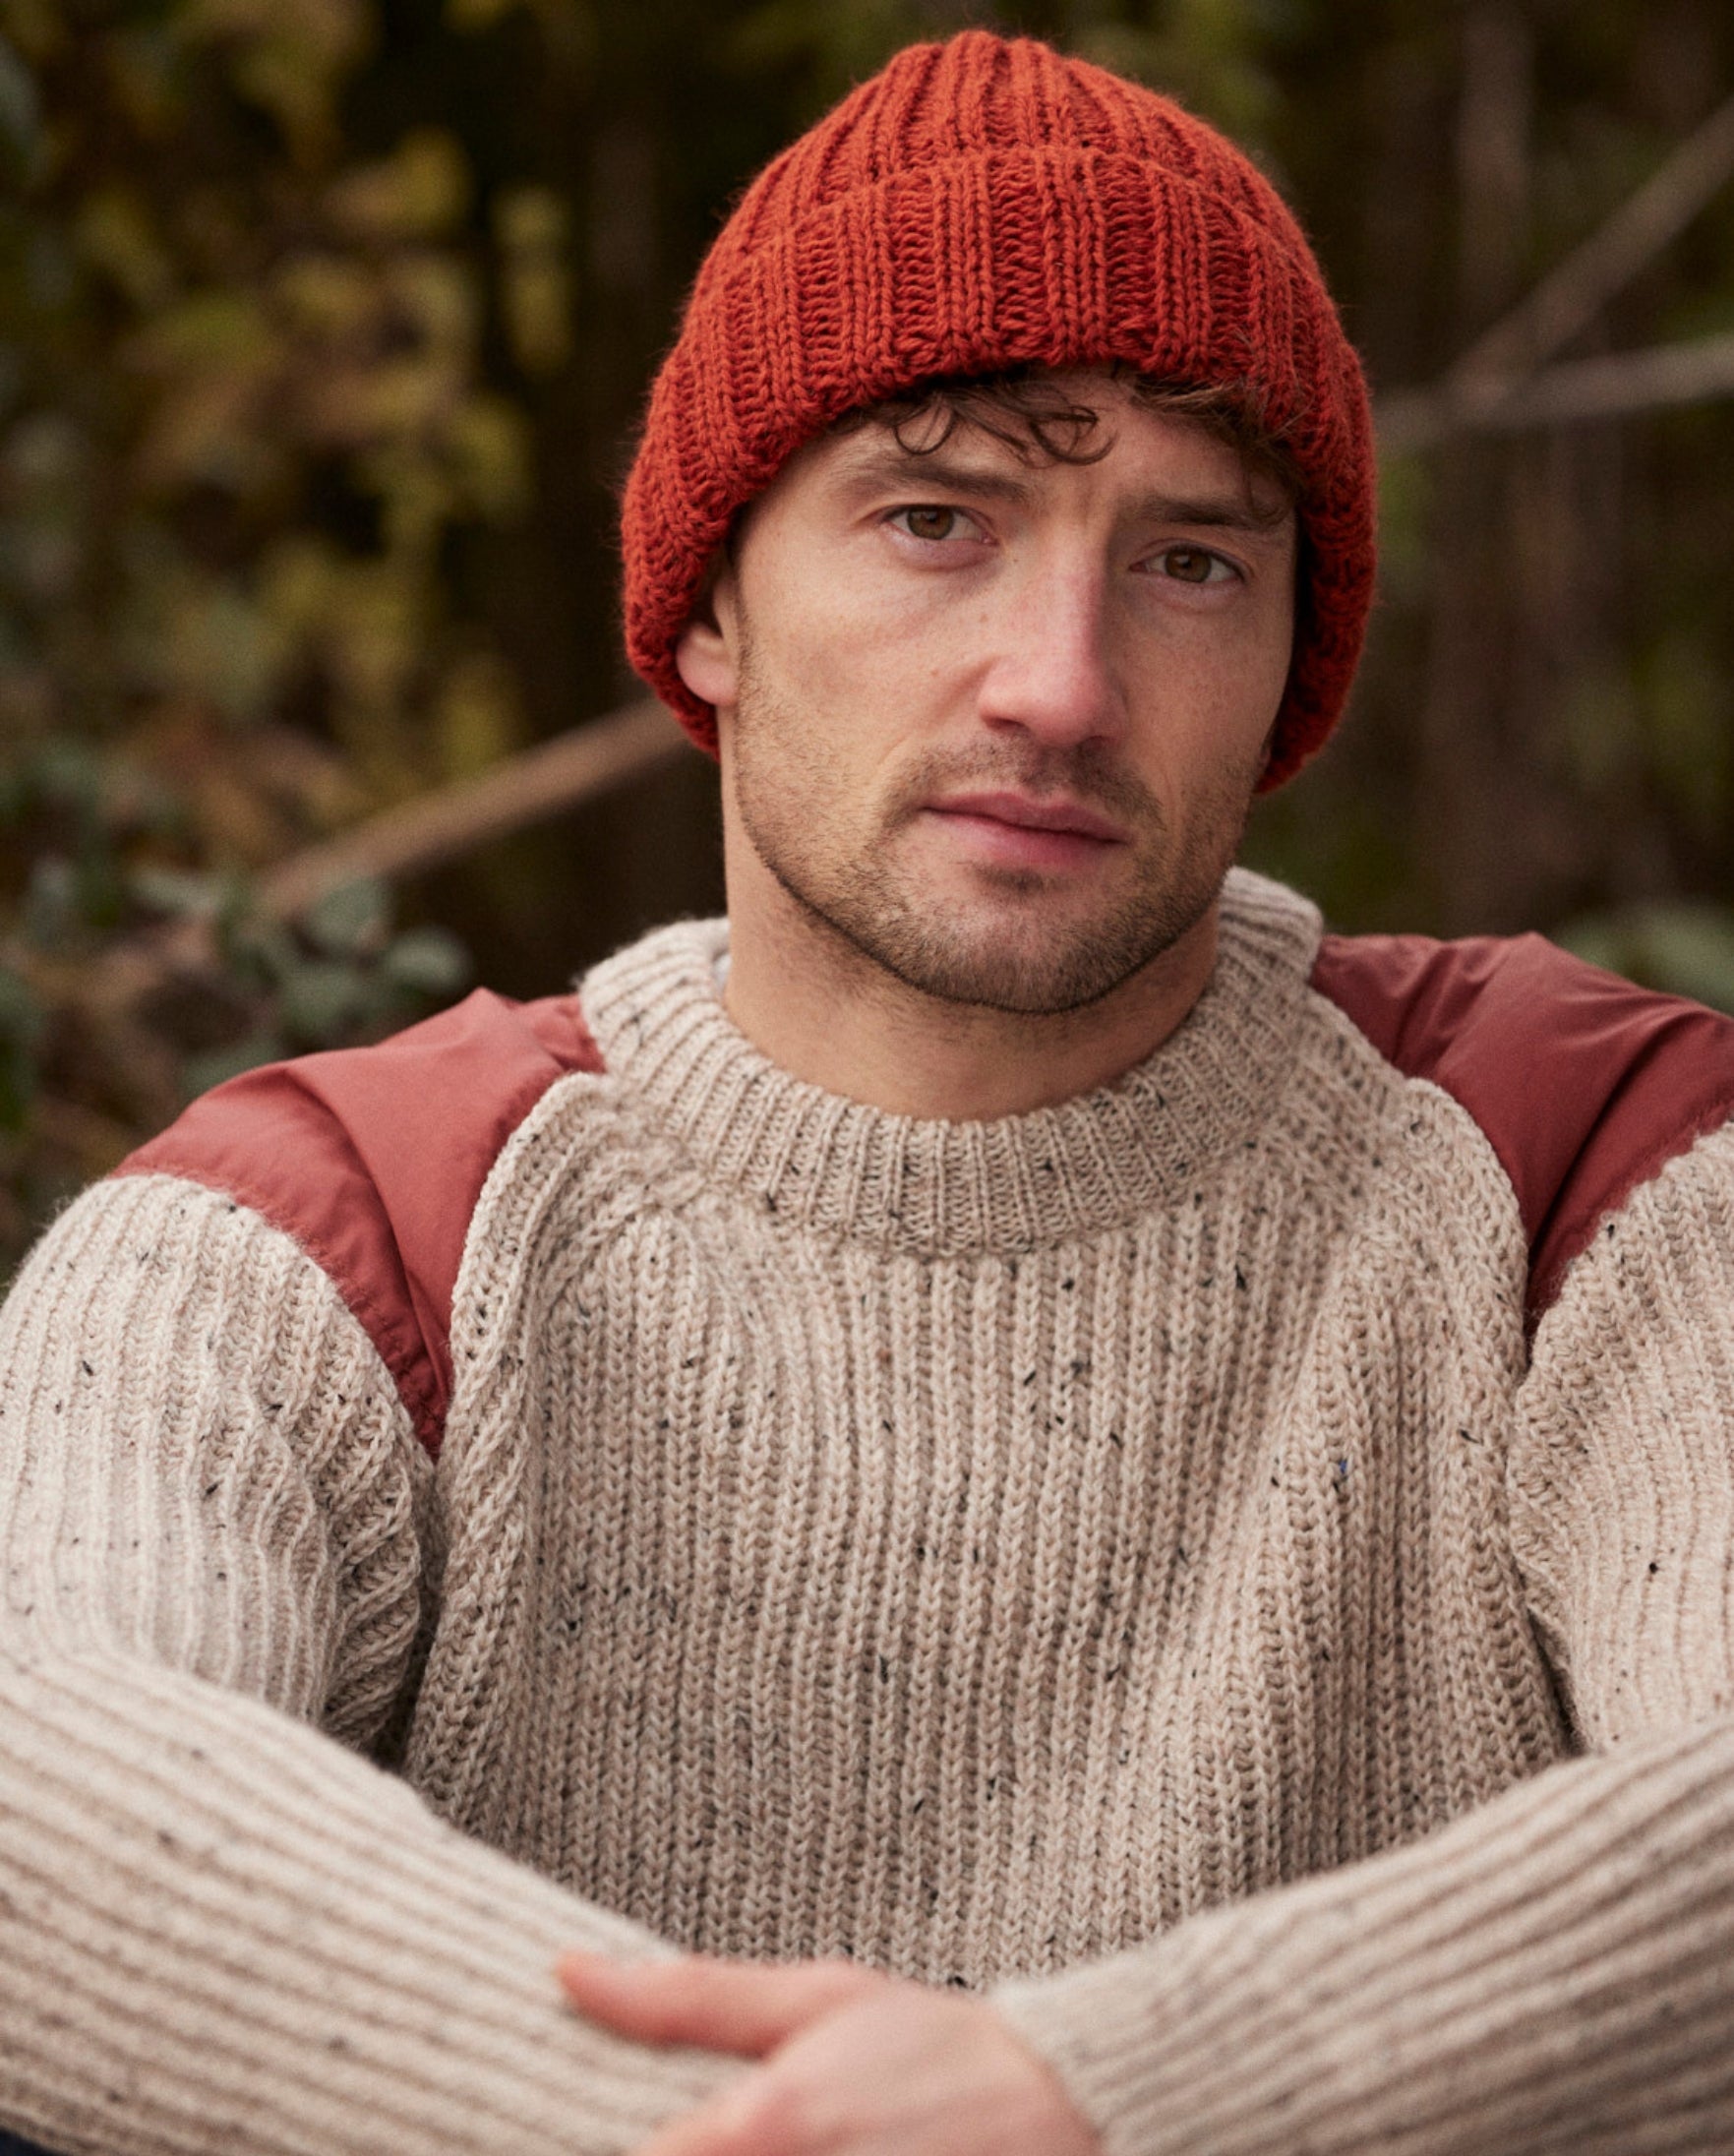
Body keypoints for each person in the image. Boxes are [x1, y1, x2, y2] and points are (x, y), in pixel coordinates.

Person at [3, 27, 1734, 2156]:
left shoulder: (1591, 1173)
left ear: (1294, 655)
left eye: (1193, 560)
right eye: (936, 519)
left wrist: (1106, 2099)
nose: (1062, 681)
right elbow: (47, 1781)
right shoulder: (353, 1231)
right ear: (712, 599)